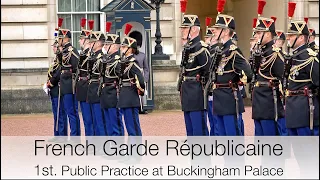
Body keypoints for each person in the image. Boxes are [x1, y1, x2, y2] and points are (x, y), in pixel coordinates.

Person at [211, 5, 252, 136]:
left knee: (232, 137)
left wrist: (237, 83)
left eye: (218, 29)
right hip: (219, 98)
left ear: (225, 31)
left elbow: (248, 74)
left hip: (230, 98)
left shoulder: (233, 51)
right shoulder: (220, 50)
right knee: (223, 139)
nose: (215, 31)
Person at [251, 9, 286, 136]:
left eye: (259, 32)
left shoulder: (275, 55)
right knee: (261, 144)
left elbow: (283, 78)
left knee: (271, 144)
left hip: (269, 104)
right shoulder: (259, 53)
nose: (256, 36)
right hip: (258, 103)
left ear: (267, 34)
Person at [284, 12, 319, 136]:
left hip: (305, 110)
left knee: (307, 152)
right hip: (292, 109)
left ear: (301, 38)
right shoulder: (293, 57)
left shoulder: (310, 57)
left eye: (292, 35)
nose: (288, 38)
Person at [178, 12, 211, 136]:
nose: (183, 31)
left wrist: (204, 91)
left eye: (185, 28)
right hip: (187, 91)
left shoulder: (201, 48)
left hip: (197, 92)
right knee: (190, 131)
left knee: (199, 130)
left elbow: (207, 72)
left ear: (194, 29)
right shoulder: (188, 48)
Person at [117, 23, 145, 136]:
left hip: (130, 96)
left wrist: (141, 90)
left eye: (124, 47)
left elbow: (141, 80)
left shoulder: (133, 62)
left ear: (130, 49)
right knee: (129, 126)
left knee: (133, 127)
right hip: (124, 96)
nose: (122, 49)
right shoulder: (123, 61)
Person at [56, 18, 81, 136]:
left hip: (70, 84)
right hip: (65, 85)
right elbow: (61, 65)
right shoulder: (64, 51)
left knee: (72, 112)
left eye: (59, 38)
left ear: (64, 38)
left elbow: (77, 66)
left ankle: (75, 136)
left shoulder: (71, 50)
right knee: (68, 111)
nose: (58, 41)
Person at [99, 21, 124, 136]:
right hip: (105, 93)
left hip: (114, 94)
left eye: (107, 45)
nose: (105, 47)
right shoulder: (106, 59)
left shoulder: (118, 61)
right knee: (108, 123)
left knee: (115, 123)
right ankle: (111, 147)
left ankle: (118, 149)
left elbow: (121, 79)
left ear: (114, 46)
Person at [45, 33, 68, 140]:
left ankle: (62, 136)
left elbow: (59, 73)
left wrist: (51, 82)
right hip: (53, 89)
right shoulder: (56, 60)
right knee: (56, 114)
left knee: (60, 113)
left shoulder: (60, 60)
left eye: (55, 46)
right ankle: (57, 134)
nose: (54, 49)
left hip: (58, 89)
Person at [75, 18, 94, 136]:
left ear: (87, 40)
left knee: (89, 118)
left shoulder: (89, 55)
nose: (79, 41)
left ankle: (91, 141)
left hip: (87, 87)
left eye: (81, 39)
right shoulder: (82, 54)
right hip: (82, 88)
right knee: (86, 119)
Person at [87, 30, 106, 136]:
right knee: (93, 120)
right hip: (92, 90)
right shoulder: (93, 56)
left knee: (100, 121)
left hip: (97, 91)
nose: (90, 44)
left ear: (98, 43)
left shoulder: (101, 58)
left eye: (92, 42)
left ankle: (101, 145)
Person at [203, 24, 219, 136]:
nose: (206, 40)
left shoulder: (216, 52)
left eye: (208, 38)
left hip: (215, 89)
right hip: (208, 88)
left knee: (216, 119)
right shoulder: (208, 51)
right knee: (211, 119)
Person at [131, 40, 149, 115]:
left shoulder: (142, 55)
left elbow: (146, 68)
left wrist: (145, 78)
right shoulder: (130, 56)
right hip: (132, 76)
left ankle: (141, 108)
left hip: (140, 75)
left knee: (141, 92)